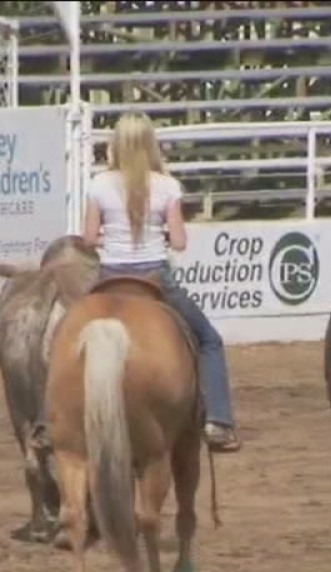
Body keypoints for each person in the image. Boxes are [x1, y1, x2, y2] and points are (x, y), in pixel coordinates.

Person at [82, 111, 242, 453]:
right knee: (209, 340)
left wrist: (111, 237)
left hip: (110, 276)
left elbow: (88, 238)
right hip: (155, 278)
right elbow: (180, 242)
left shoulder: (98, 184)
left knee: (64, 336)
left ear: (116, 145)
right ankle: (218, 420)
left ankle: (49, 417)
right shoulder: (168, 186)